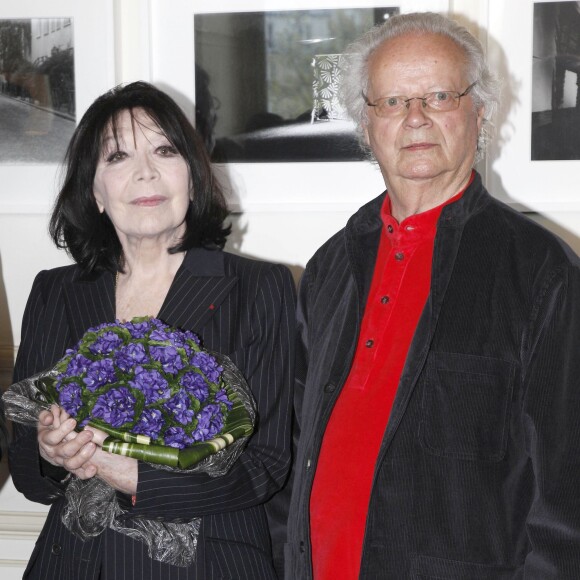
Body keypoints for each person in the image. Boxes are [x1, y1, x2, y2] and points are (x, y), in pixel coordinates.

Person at [286, 11, 580, 579]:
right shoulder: (331, 267)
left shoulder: (543, 273)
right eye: (392, 102)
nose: (415, 118)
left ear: (481, 112)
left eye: (440, 96)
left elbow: (569, 501)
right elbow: (298, 452)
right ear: (366, 125)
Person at [9, 81, 295, 580]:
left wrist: (140, 478)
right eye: (117, 157)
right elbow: (27, 472)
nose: (145, 172)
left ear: (193, 174)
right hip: (76, 563)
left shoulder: (259, 287)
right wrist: (50, 452)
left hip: (208, 563)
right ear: (94, 190)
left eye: (165, 150)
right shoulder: (55, 290)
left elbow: (265, 464)